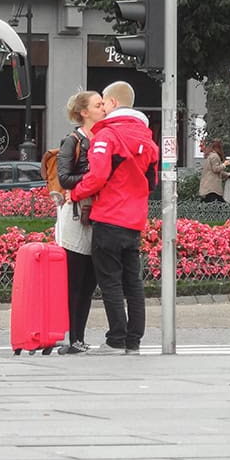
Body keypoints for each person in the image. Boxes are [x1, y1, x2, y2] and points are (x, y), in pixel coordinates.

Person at [69, 81, 159, 356]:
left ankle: (115, 339)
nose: (102, 108)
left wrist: (75, 193)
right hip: (134, 221)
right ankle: (133, 341)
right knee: (133, 283)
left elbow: (96, 177)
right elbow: (151, 182)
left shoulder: (105, 137)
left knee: (110, 281)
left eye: (104, 103)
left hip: (109, 218)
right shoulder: (148, 141)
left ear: (114, 104)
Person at [54, 90, 105, 355]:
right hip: (76, 217)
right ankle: (71, 336)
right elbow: (64, 178)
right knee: (74, 281)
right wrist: (92, 181)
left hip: (98, 216)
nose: (103, 108)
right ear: (83, 112)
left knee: (88, 283)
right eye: (98, 105)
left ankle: (78, 337)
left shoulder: (105, 139)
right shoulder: (73, 141)